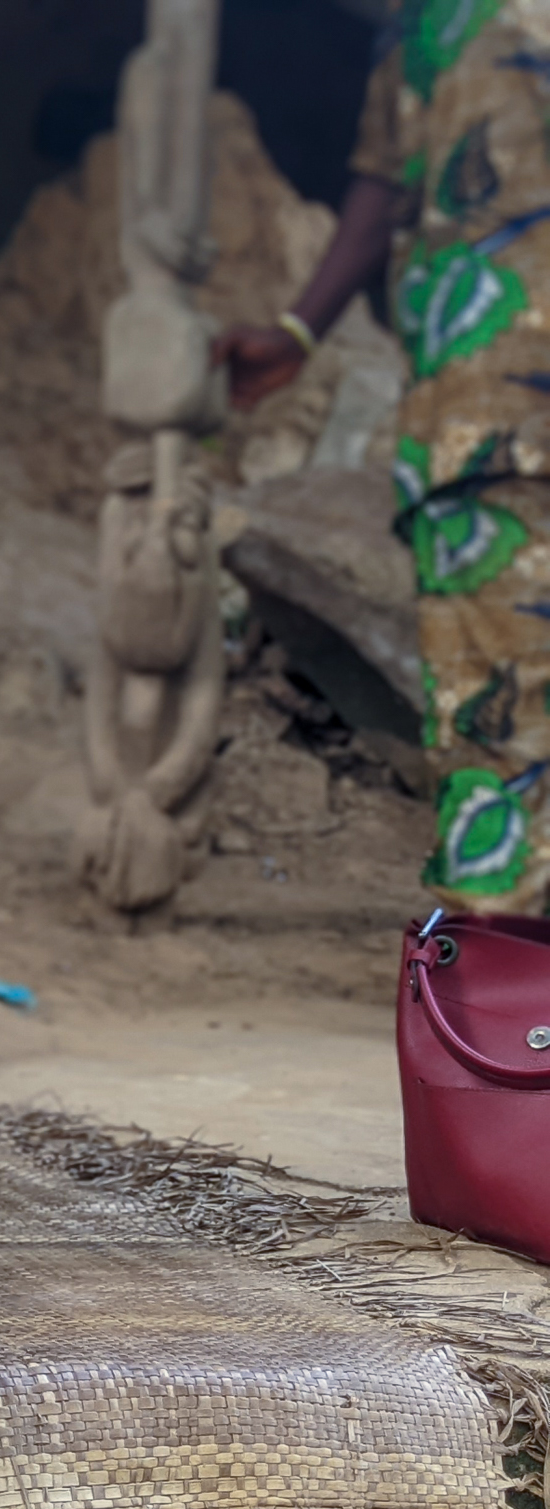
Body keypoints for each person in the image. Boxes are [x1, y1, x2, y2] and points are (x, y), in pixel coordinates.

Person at [221, 0, 550, 913]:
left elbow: (380, 185)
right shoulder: (421, 29)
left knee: (500, 740)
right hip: (479, 418)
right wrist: (297, 329)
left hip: (483, 416)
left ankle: (504, 1018)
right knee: (500, 725)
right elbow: (384, 178)